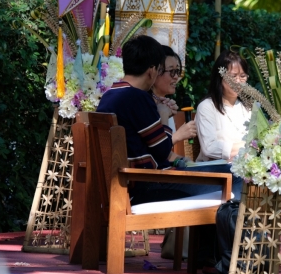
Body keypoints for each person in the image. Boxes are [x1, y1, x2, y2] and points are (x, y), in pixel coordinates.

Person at [97, 36, 242, 205]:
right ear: (152, 70)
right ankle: (237, 231)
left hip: (127, 185)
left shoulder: (110, 95)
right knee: (237, 175)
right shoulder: (137, 98)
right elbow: (162, 151)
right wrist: (164, 115)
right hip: (148, 188)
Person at [195, 50, 252, 162]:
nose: (238, 81)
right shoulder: (206, 107)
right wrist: (249, 146)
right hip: (216, 173)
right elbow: (209, 148)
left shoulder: (247, 108)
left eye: (242, 76)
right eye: (233, 76)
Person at [150, 45, 196, 162]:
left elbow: (167, 154)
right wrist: (178, 135)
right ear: (155, 72)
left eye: (177, 71)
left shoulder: (165, 104)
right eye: (171, 71)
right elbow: (154, 151)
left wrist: (183, 161)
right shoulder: (147, 104)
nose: (176, 77)